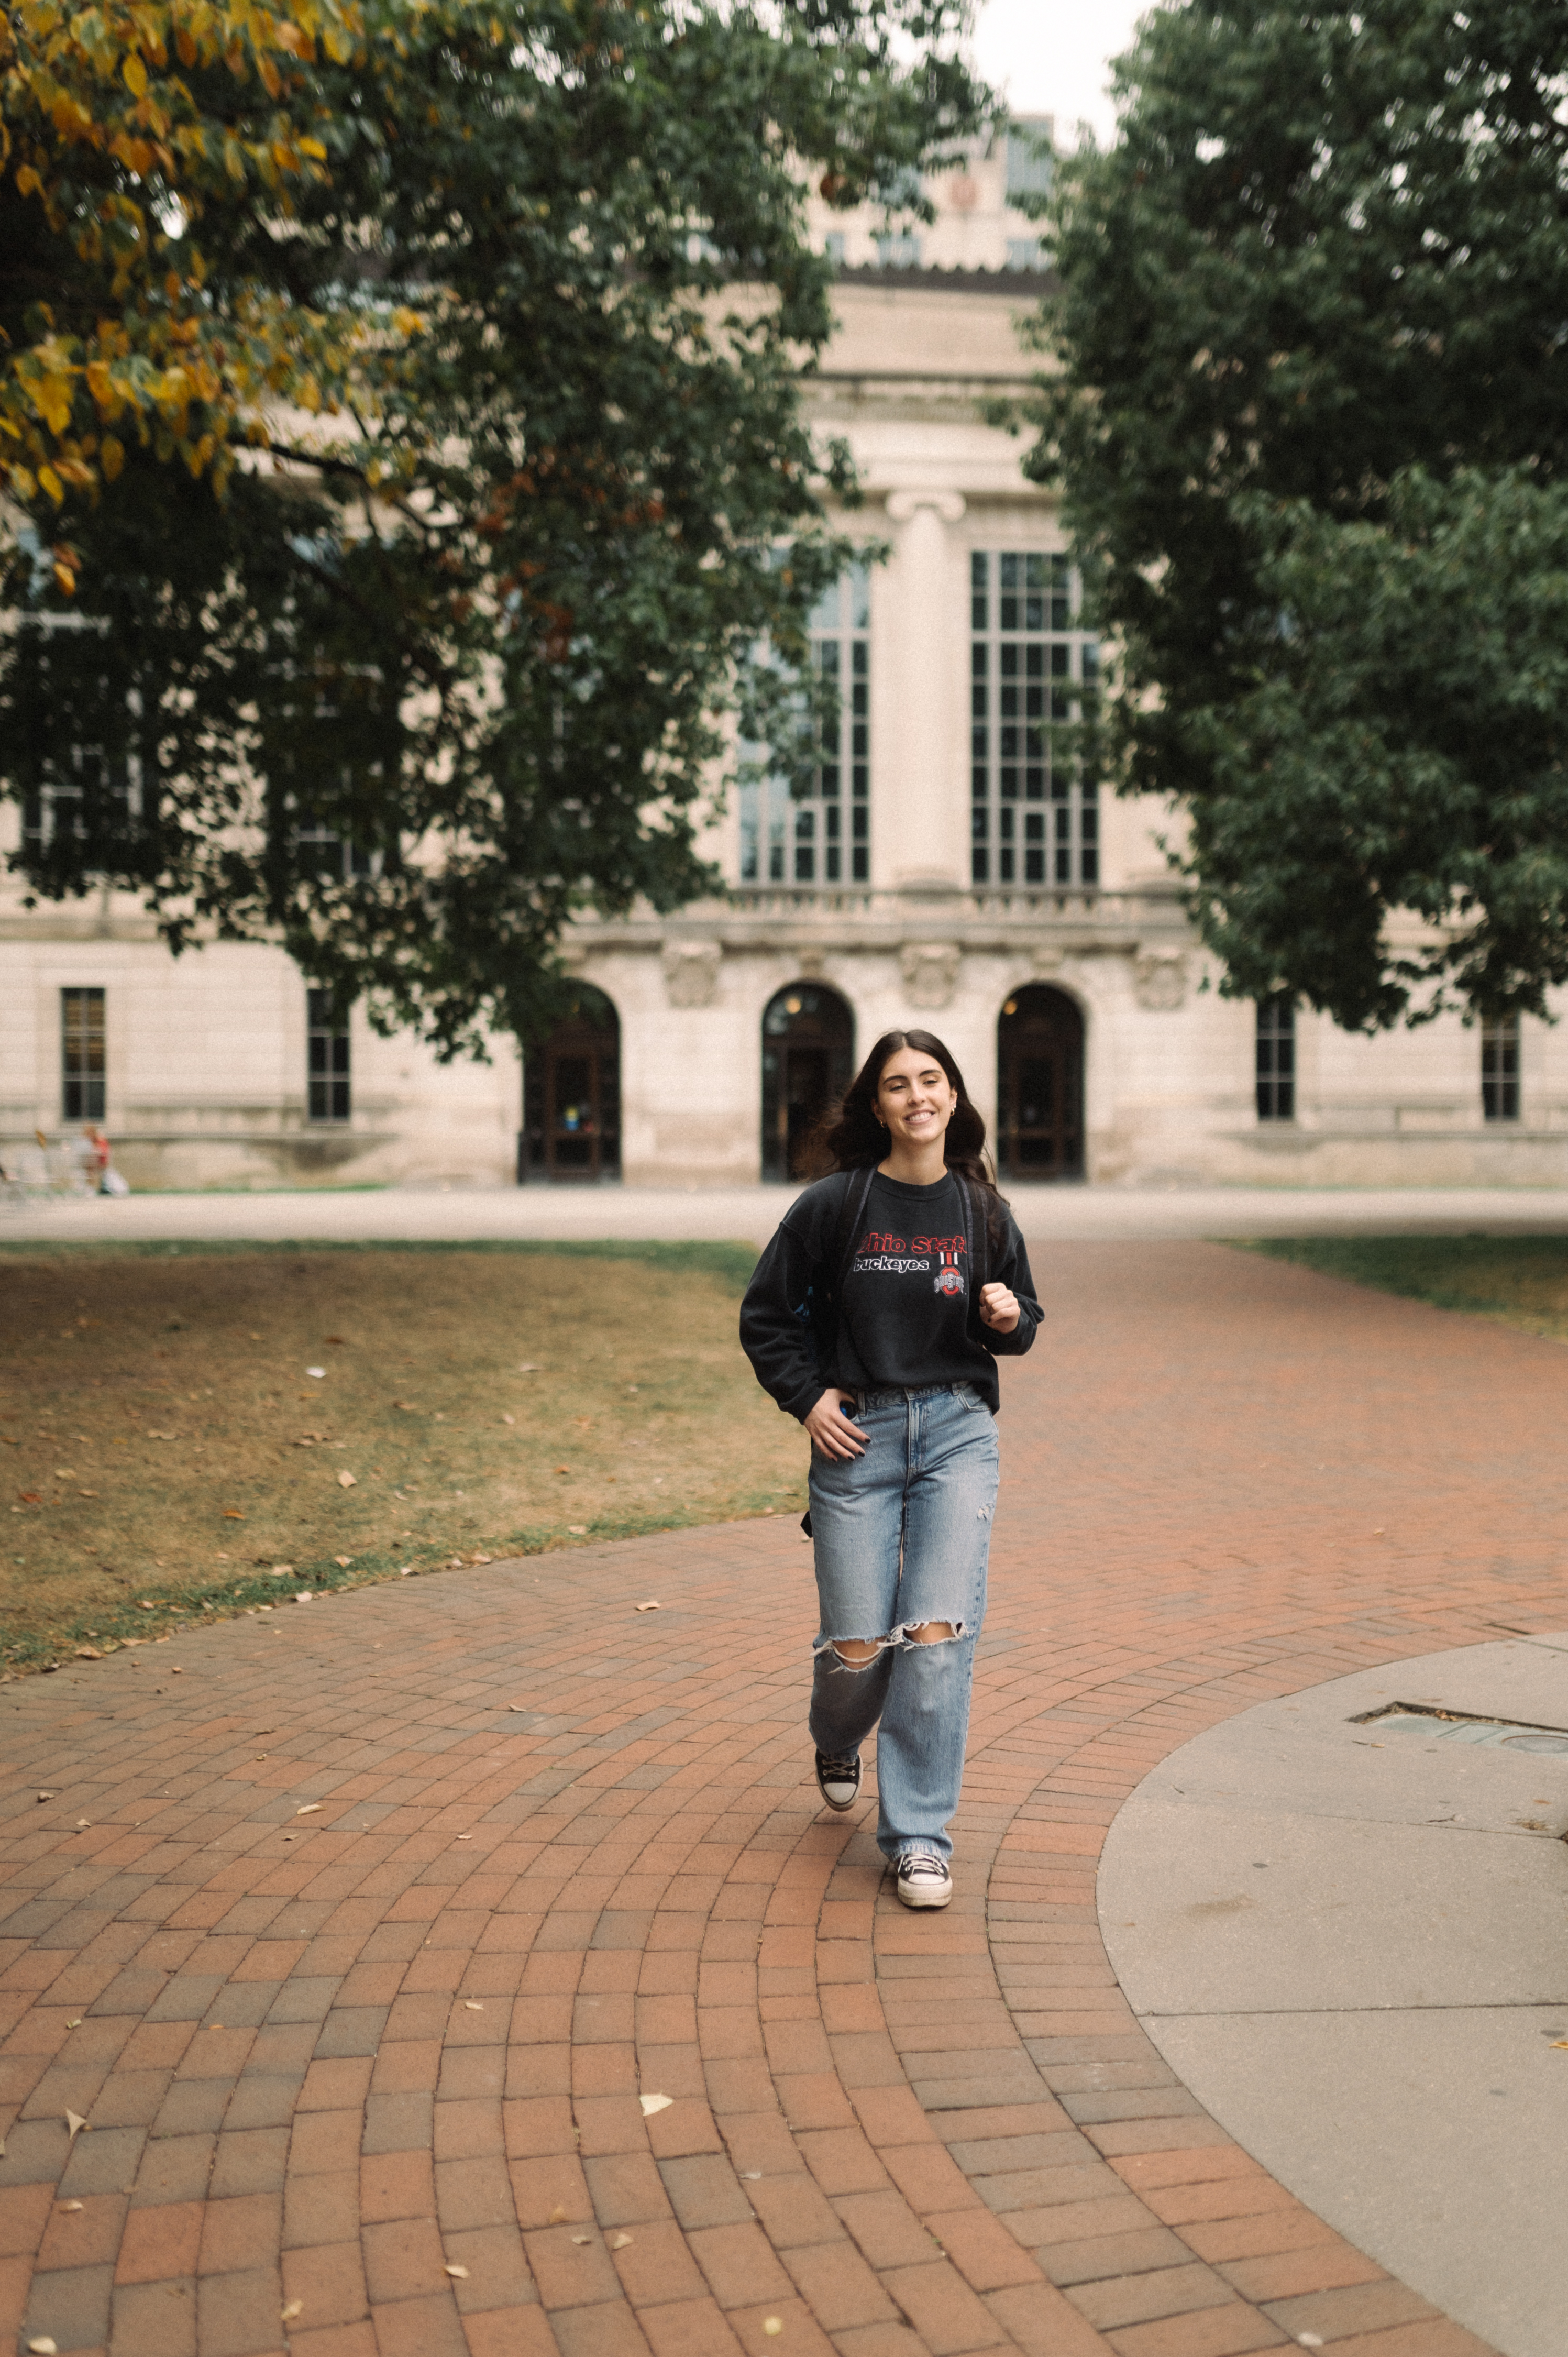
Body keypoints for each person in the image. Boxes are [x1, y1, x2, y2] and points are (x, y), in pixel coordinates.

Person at [739, 1028, 1040, 1909]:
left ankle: (917, 1837)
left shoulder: (983, 1211)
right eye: (898, 1084)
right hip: (858, 1440)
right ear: (876, 1106)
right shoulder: (835, 1205)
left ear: (953, 1097)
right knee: (858, 1651)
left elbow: (1021, 1325)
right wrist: (808, 1400)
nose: (918, 1096)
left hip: (955, 1433)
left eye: (932, 1080)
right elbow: (767, 1319)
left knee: (937, 1637)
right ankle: (836, 1734)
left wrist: (1004, 1313)